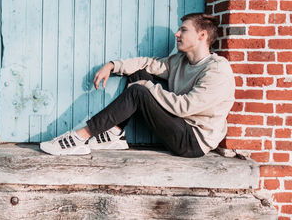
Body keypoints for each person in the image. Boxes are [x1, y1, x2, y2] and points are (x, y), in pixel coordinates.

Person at [40, 13, 235, 158]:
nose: (177, 34)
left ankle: (80, 137)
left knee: (139, 91)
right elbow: (146, 64)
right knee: (139, 75)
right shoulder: (179, 61)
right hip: (178, 126)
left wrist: (147, 88)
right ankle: (115, 134)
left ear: (202, 35)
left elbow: (185, 107)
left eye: (183, 30)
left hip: (193, 141)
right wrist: (113, 65)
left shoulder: (217, 71)